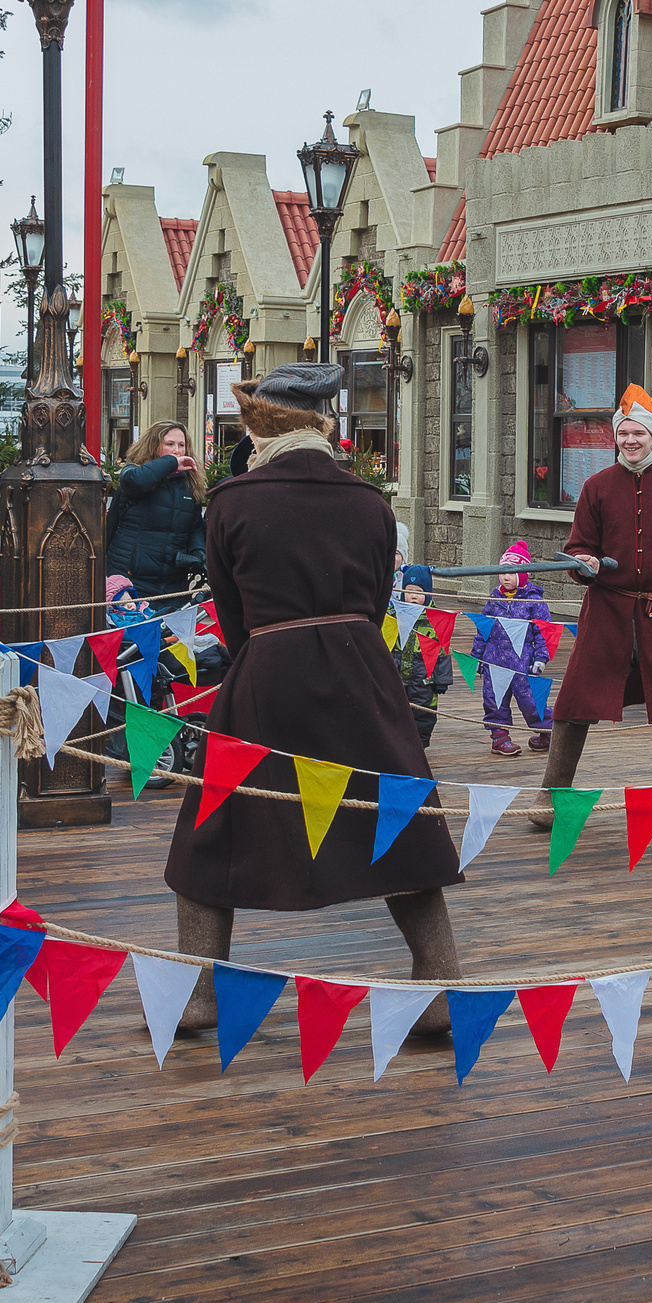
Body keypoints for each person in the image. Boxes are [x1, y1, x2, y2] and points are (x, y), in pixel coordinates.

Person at [163, 364, 462, 1036]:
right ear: (324, 425)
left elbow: (234, 619)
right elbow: (373, 604)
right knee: (399, 824)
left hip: (265, 671)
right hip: (363, 673)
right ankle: (441, 984)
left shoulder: (231, 503)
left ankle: (201, 993)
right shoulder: (371, 504)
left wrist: (269, 656)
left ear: (258, 425)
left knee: (208, 833)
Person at [538, 384, 652, 836]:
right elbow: (576, 548)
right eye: (624, 434)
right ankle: (551, 793)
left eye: (639, 433)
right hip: (608, 611)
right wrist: (585, 563)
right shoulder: (596, 487)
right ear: (615, 437)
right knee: (575, 700)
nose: (631, 441)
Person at [104, 420, 205, 611]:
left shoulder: (190, 485)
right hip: (131, 582)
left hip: (172, 585)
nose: (177, 450)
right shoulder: (134, 471)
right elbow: (135, 482)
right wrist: (170, 463)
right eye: (170, 444)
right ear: (154, 445)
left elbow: (195, 527)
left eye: (181, 445)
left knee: (170, 638)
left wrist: (198, 552)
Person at [477, 540, 555, 757]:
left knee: (530, 700)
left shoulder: (533, 600)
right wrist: (477, 656)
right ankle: (500, 738)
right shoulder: (495, 598)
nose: (505, 577)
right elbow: (483, 628)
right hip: (495, 659)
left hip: (523, 660)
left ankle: (547, 731)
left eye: (511, 572)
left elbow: (543, 631)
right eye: (503, 572)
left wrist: (541, 658)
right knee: (495, 700)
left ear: (523, 574)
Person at [396, 566, 453, 747]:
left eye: (419, 592)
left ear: (428, 594)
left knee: (424, 715)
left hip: (425, 680)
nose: (413, 596)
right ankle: (399, 746)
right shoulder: (393, 615)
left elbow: (444, 651)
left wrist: (442, 679)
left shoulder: (435, 619)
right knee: (397, 712)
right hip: (398, 676)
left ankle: (419, 746)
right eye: (408, 591)